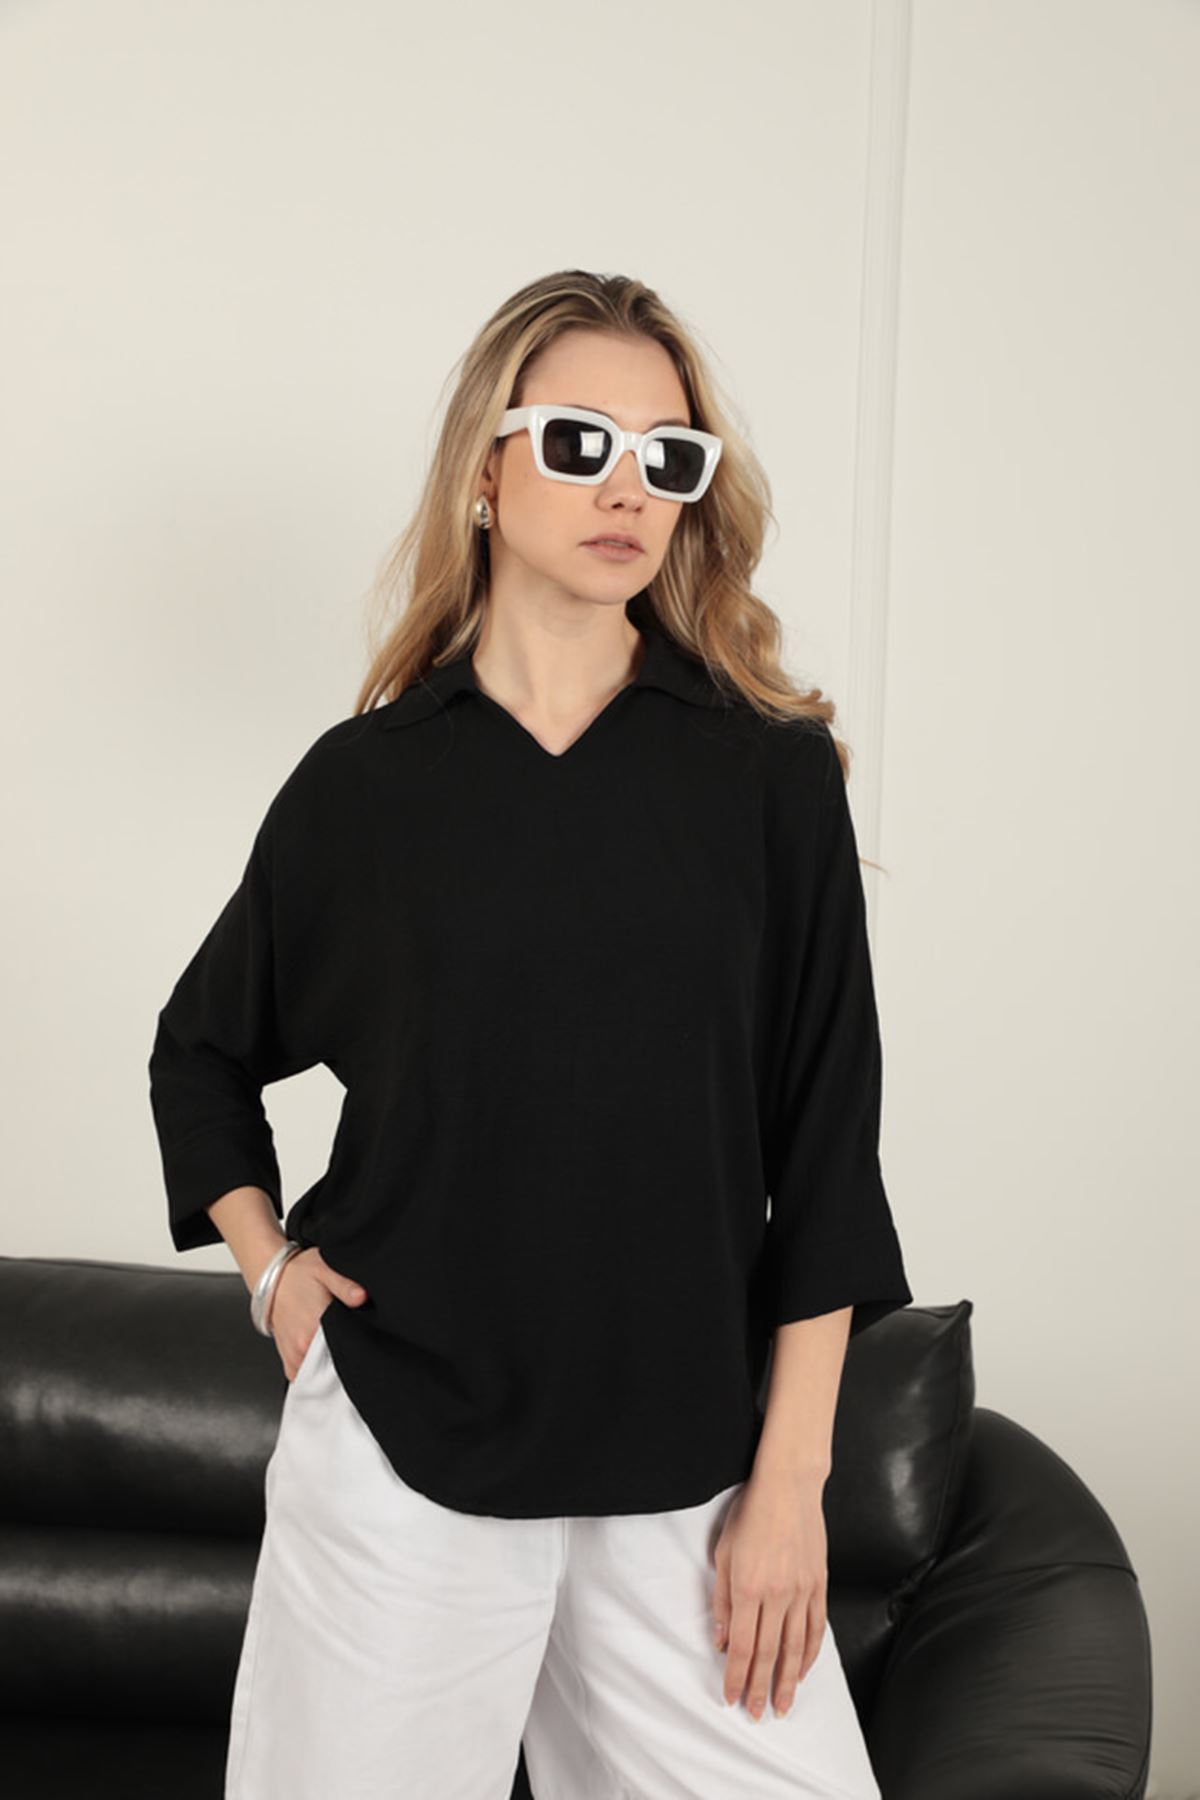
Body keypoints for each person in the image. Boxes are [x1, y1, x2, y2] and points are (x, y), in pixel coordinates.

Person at [148, 268, 913, 1800]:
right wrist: (272, 1273)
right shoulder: (368, 787)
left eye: (668, 457)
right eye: (578, 443)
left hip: (688, 1469)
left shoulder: (768, 779)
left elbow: (828, 1151)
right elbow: (201, 1053)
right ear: (486, 471)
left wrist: (790, 1483)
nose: (628, 489)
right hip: (400, 1447)